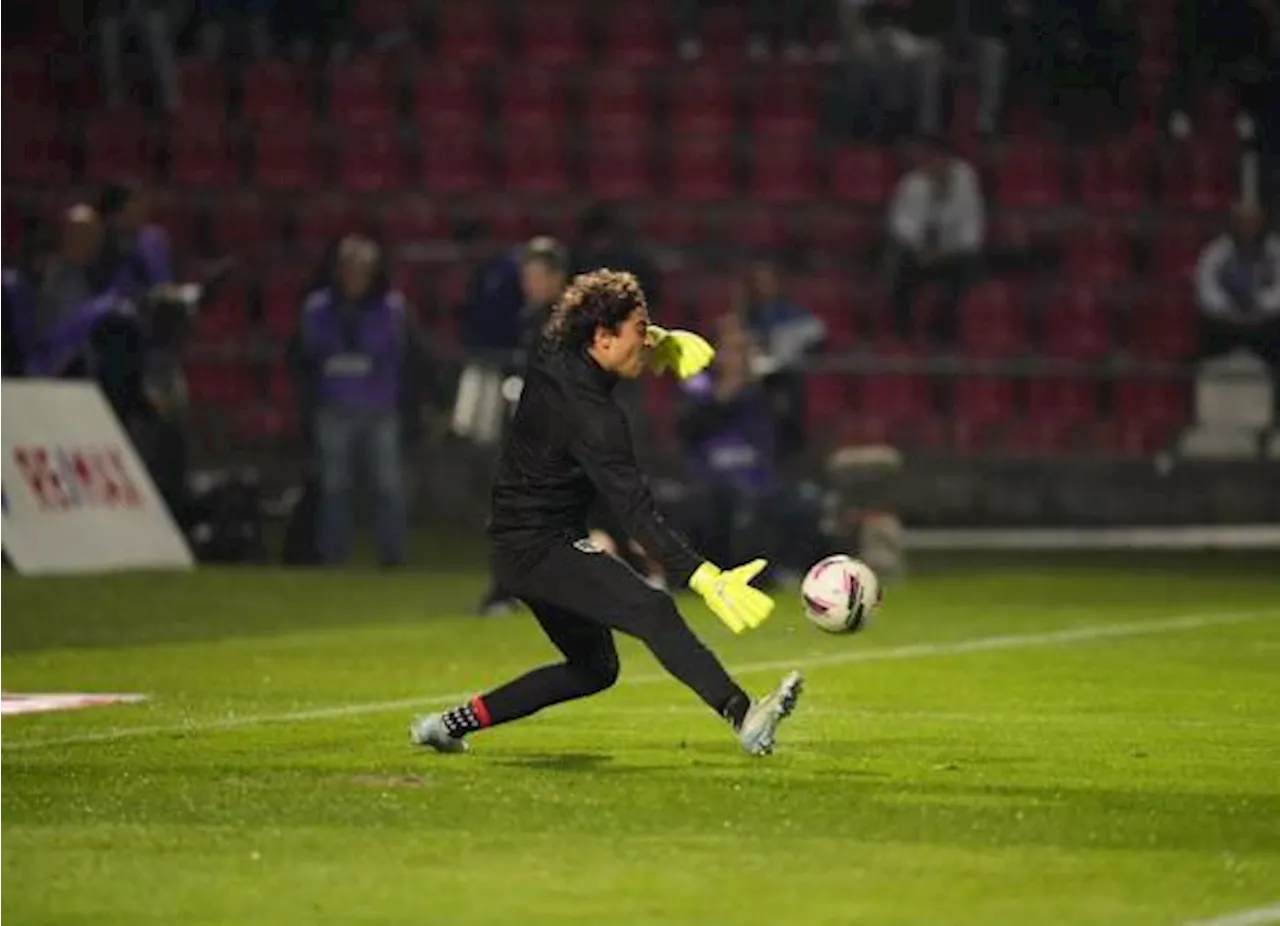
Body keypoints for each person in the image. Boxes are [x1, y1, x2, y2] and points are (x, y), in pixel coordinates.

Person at [411, 270, 804, 757]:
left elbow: (572, 326)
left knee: (594, 669)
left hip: (521, 546)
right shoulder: (593, 417)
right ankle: (744, 716)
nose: (645, 341)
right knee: (652, 607)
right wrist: (704, 576)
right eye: (639, 329)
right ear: (601, 338)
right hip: (539, 547)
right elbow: (638, 516)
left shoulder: (556, 359)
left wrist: (653, 338)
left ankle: (447, 725)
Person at [298, 234, 412, 567]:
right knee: (334, 488)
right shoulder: (318, 307)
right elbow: (312, 352)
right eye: (349, 267)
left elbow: (392, 353)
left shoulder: (391, 307)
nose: (355, 275)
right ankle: (334, 556)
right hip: (333, 408)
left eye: (363, 268)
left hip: (380, 408)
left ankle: (393, 557)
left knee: (388, 487)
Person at [885, 134, 985, 346]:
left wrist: (945, 252)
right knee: (901, 271)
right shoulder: (912, 183)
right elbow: (900, 224)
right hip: (920, 253)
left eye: (939, 160)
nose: (933, 167)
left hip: (954, 253)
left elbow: (972, 231)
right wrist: (921, 248)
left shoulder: (966, 180)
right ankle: (902, 331)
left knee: (965, 272)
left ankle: (945, 334)